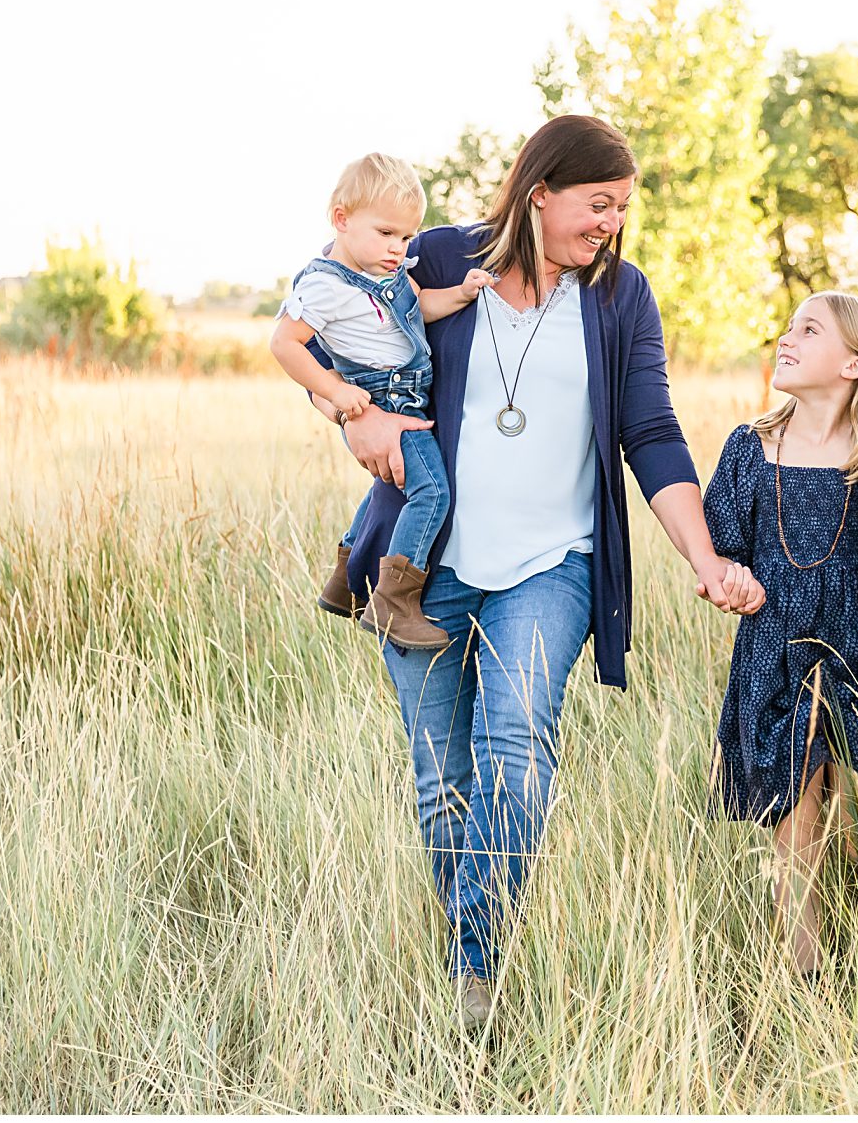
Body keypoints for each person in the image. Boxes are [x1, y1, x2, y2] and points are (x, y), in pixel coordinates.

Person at [310, 115, 765, 1032]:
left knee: (517, 752)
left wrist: (706, 556)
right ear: (539, 192)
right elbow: (327, 325)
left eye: (622, 209)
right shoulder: (437, 256)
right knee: (442, 775)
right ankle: (463, 949)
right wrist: (349, 417)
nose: (611, 224)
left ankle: (478, 967)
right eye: (597, 204)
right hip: (424, 562)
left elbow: (652, 434)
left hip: (554, 563)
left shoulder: (620, 298)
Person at [702, 291, 858, 980]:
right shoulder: (750, 449)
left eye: (808, 330)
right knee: (792, 814)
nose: (786, 339)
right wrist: (727, 580)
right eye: (788, 326)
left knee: (853, 830)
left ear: (856, 363)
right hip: (776, 646)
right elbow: (721, 550)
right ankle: (802, 975)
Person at [270, 153, 494, 648]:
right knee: (431, 492)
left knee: (391, 486)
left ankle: (347, 578)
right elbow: (285, 344)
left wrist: (461, 292)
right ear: (342, 220)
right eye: (386, 233)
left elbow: (420, 311)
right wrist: (336, 392)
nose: (398, 248)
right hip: (384, 399)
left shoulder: (388, 274)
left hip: (409, 396)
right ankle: (395, 600)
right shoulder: (326, 284)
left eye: (407, 237)